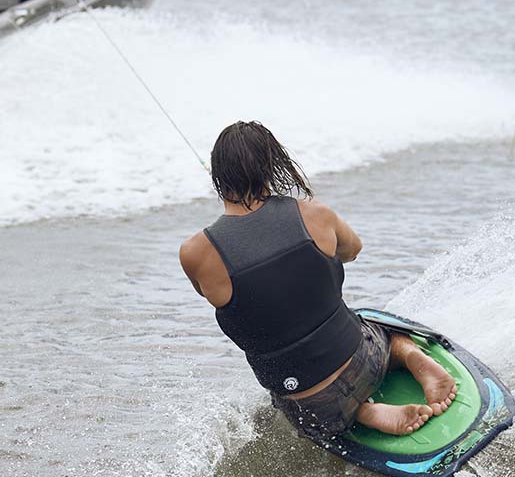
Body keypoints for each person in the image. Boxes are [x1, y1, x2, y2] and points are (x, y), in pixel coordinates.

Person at [180, 121, 457, 441]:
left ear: (218, 175)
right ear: (270, 166)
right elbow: (353, 249)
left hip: (308, 403)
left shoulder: (195, 253)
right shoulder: (317, 215)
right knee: (385, 331)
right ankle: (411, 355)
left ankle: (362, 412)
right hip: (363, 360)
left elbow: (213, 293)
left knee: (304, 405)